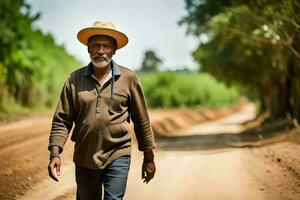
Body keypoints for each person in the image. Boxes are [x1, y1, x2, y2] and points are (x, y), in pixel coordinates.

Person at [47, 21, 156, 200]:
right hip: (84, 156)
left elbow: (141, 119)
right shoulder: (74, 80)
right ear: (88, 49)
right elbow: (62, 119)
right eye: (96, 45)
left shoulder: (129, 79)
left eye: (106, 46)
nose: (100, 50)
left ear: (114, 50)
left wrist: (149, 157)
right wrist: (54, 153)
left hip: (118, 153)